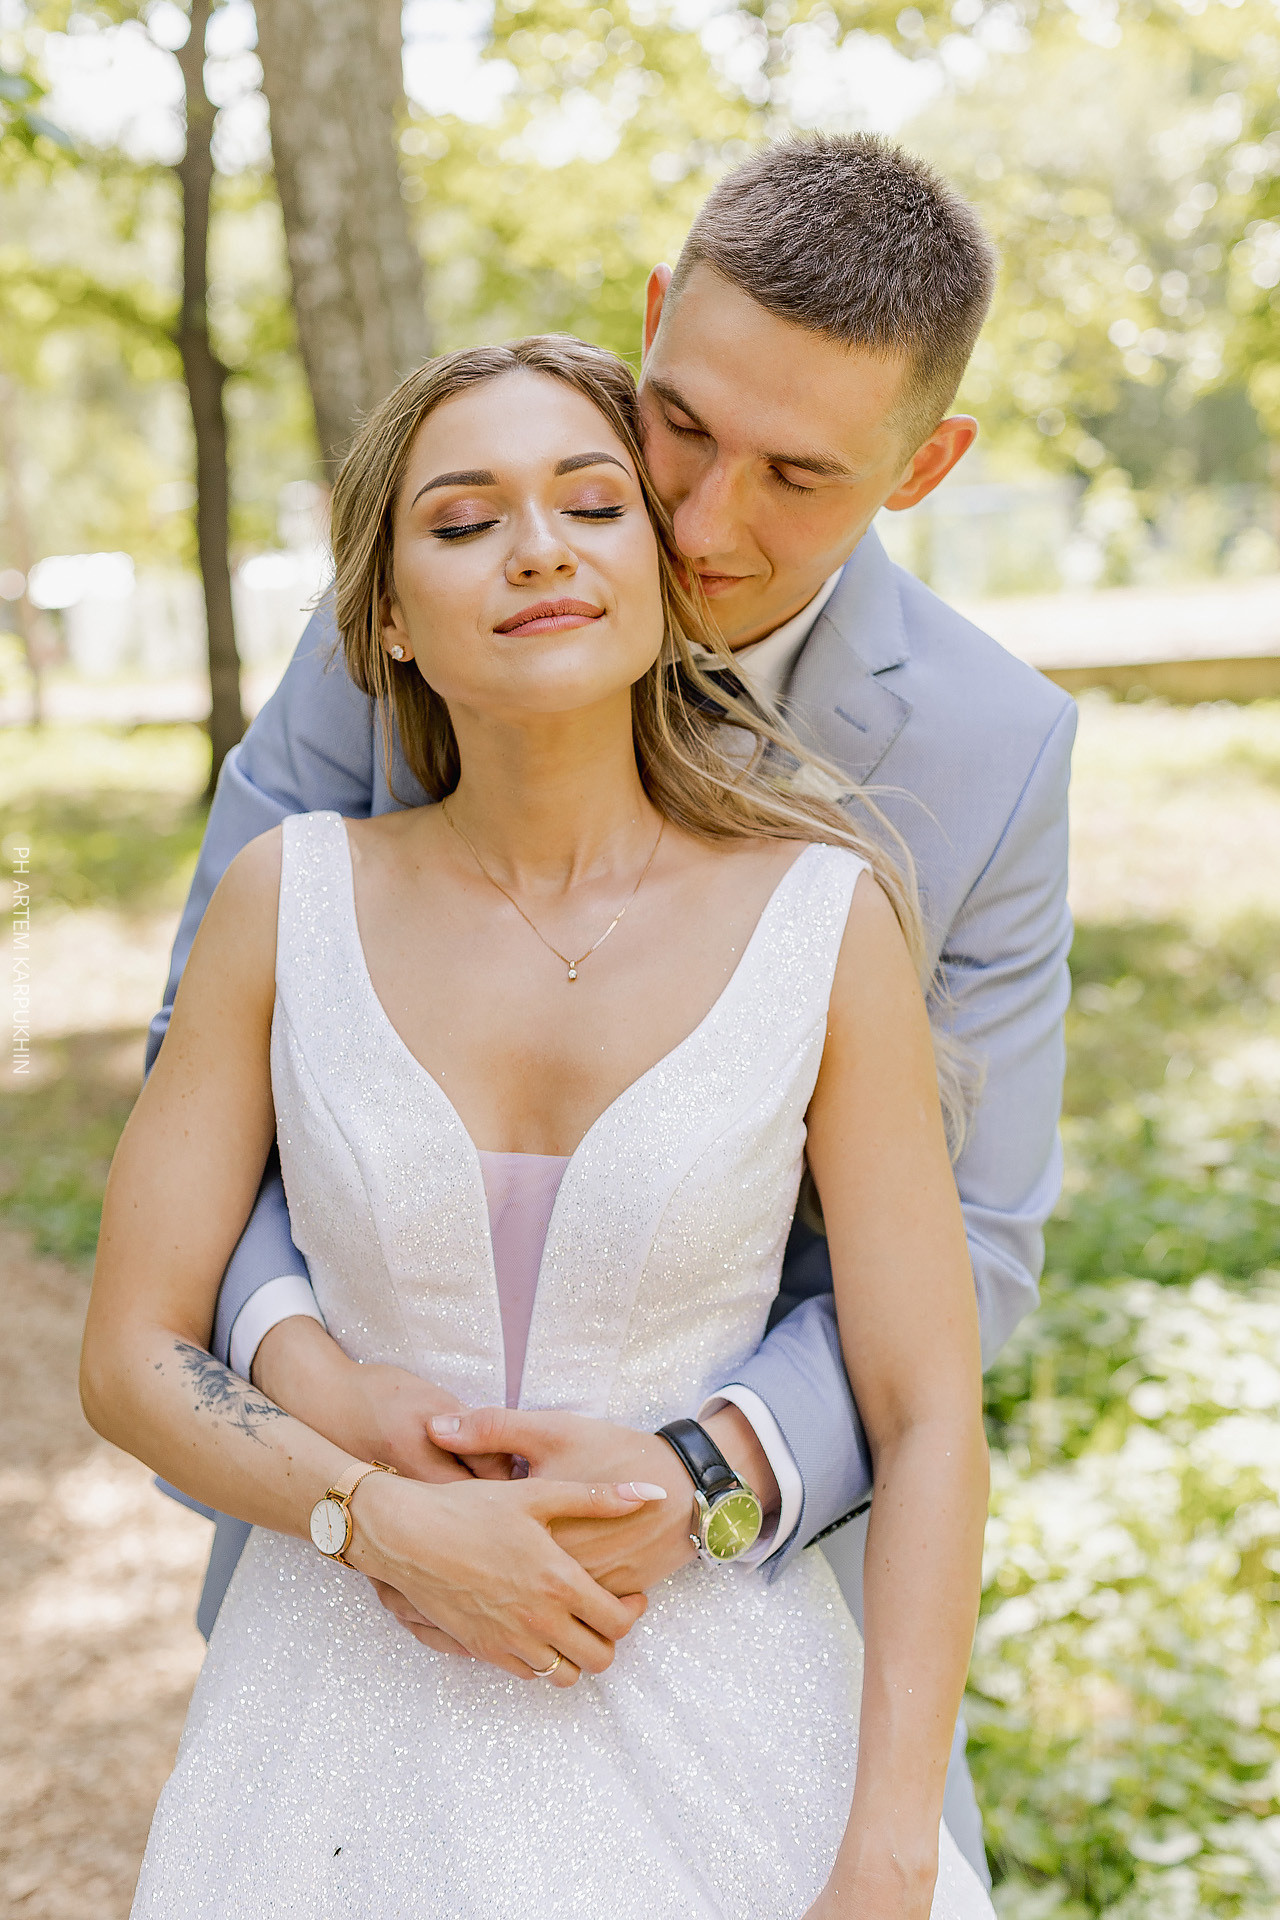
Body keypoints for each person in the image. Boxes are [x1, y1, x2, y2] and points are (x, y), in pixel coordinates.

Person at [145, 134, 1075, 1880]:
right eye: (683, 425)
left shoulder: (989, 760)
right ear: (652, 326)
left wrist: (701, 1478)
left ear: (925, 464)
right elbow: (197, 1092)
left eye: (799, 474)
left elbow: (975, 1259)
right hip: (359, 1624)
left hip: (738, 1620)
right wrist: (340, 1413)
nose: (702, 524)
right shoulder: (423, 601)